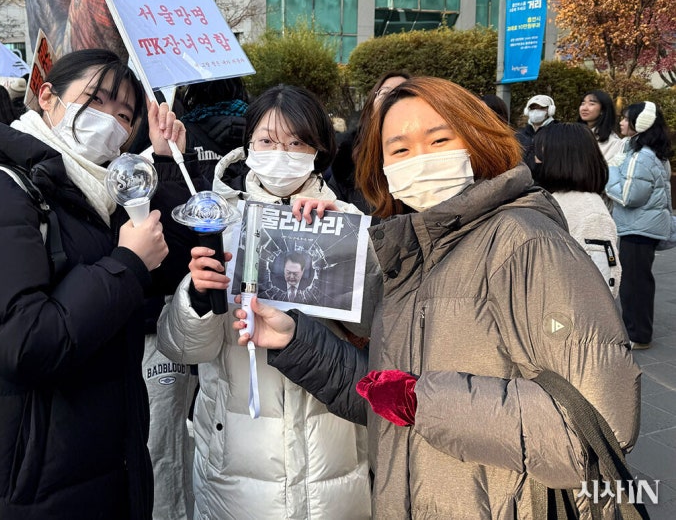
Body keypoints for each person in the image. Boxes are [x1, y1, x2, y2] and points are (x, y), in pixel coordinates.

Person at [235, 77, 641, 518]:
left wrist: (423, 401)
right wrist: (294, 340)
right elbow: (385, 399)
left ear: (476, 139)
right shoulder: (414, 254)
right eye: (400, 150)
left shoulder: (525, 243)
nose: (421, 159)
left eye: (439, 139)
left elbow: (598, 431)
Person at [0, 48, 200, 519]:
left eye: (124, 115)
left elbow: (168, 264)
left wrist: (165, 160)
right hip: (24, 478)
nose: (111, 121)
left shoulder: (90, 194)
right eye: (97, 101)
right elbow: (22, 341)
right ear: (47, 96)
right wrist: (126, 263)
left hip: (91, 460)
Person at [157, 85, 376, 520]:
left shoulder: (347, 222)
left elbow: (376, 326)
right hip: (236, 458)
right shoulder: (218, 222)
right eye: (267, 141)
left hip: (330, 457)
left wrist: (345, 245)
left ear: (318, 149)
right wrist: (198, 296)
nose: (282, 153)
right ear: (248, 146)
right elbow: (184, 349)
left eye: (297, 142)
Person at [606, 101, 673, 350]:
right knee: (639, 281)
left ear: (640, 124)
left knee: (634, 284)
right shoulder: (648, 153)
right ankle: (638, 331)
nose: (621, 122)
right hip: (645, 226)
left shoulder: (640, 156)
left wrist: (610, 171)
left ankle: (638, 335)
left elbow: (628, 195)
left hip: (638, 228)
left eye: (625, 119)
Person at [533, 122, 621, 297]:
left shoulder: (591, 215)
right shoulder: (551, 199)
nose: (535, 160)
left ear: (560, 159)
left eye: (540, 154)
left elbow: (600, 292)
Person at [329, 70, 410, 216]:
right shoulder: (345, 162)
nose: (393, 101)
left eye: (403, 95)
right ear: (371, 106)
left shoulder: (426, 163)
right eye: (386, 93)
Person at [578, 90, 624, 165]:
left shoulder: (613, 143)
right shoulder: (575, 134)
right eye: (583, 103)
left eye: (591, 104)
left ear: (603, 110)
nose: (584, 108)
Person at [517, 94, 556, 170]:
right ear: (527, 111)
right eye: (532, 108)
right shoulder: (519, 134)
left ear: (550, 110)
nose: (536, 111)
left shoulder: (557, 132)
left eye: (541, 108)